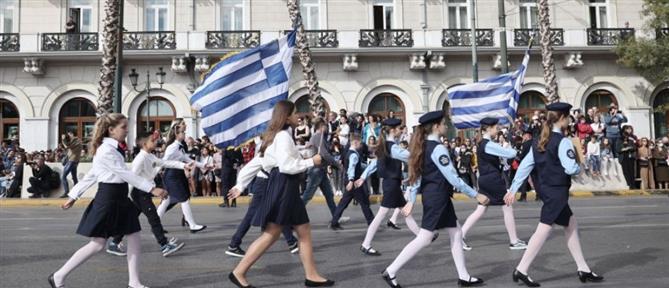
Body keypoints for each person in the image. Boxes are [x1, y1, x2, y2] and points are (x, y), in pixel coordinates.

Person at [52, 113, 168, 288]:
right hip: (108, 198)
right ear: (111, 130)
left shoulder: (113, 148)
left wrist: (74, 195)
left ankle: (134, 282)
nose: (127, 130)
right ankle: (58, 276)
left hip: (119, 197)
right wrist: (152, 188)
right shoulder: (106, 150)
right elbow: (124, 173)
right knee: (98, 244)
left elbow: (93, 173)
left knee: (134, 235)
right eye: (123, 127)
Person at [228, 100, 333, 288]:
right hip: (284, 186)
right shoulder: (283, 136)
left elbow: (262, 162)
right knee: (272, 233)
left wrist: (240, 184)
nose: (298, 116)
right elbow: (286, 166)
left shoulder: (276, 136)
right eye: (294, 113)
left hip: (285, 186)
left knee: (303, 230)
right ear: (286, 116)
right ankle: (239, 272)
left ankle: (312, 275)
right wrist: (312, 162)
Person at [382, 111, 489, 288]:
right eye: (444, 123)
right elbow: (453, 178)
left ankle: (464, 276)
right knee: (425, 237)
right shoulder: (438, 148)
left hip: (437, 197)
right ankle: (391, 271)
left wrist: (412, 198)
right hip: (437, 197)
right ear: (435, 126)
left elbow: (418, 175)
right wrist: (476, 195)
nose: (446, 126)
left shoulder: (423, 146)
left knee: (456, 232)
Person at [504, 102, 603, 287]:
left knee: (571, 223)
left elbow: (525, 167)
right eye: (569, 118)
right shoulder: (563, 141)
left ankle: (583, 268)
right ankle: (521, 269)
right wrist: (580, 165)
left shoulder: (538, 141)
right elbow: (570, 168)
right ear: (563, 118)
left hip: (547, 190)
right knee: (543, 229)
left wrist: (513, 189)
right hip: (557, 192)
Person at [107, 132, 187, 257]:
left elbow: (165, 163)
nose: (156, 143)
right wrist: (126, 196)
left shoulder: (149, 156)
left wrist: (184, 165)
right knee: (154, 218)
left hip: (145, 191)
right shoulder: (140, 158)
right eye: (153, 141)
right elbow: (131, 177)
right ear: (144, 144)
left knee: (130, 218)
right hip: (140, 192)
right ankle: (164, 244)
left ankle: (114, 242)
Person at [355, 118, 423, 256]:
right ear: (393, 130)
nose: (400, 130)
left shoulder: (383, 145)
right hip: (391, 184)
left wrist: (363, 177)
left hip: (392, 184)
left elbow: (374, 165)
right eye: (399, 128)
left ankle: (423, 237)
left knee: (406, 212)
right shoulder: (393, 147)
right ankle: (366, 244)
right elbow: (410, 157)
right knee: (381, 215)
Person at [460, 117, 527, 252]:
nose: (498, 130)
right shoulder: (488, 144)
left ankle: (460, 235)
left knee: (481, 209)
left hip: (485, 179)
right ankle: (514, 241)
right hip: (493, 179)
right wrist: (516, 146)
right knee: (507, 205)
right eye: (496, 127)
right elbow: (510, 153)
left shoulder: (483, 143)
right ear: (488, 128)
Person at [225, 140, 299, 258]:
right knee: (253, 214)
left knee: (278, 211)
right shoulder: (268, 146)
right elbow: (251, 166)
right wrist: (240, 185)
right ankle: (234, 244)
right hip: (264, 183)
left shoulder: (277, 143)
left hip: (270, 182)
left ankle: (292, 242)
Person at [156, 120, 208, 233]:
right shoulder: (172, 147)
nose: (185, 134)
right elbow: (163, 162)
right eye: (183, 133)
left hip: (177, 175)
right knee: (184, 199)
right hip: (172, 176)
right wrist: (154, 173)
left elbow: (188, 160)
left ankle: (155, 225)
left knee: (167, 200)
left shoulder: (179, 146)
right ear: (177, 134)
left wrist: (205, 165)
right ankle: (192, 225)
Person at [329, 133, 375, 230]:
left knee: (344, 203)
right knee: (364, 202)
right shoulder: (353, 155)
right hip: (354, 182)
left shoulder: (349, 152)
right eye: (360, 143)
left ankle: (334, 222)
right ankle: (372, 222)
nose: (361, 145)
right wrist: (351, 180)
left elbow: (358, 166)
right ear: (355, 142)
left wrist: (369, 167)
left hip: (351, 181)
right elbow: (351, 168)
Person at [301, 118, 341, 216]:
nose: (327, 128)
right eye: (326, 126)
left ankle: (336, 216)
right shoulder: (318, 136)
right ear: (321, 127)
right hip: (316, 170)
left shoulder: (319, 137)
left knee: (329, 195)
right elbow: (324, 154)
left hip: (321, 170)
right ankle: (293, 217)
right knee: (307, 195)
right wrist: (337, 164)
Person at [60, 131, 82, 198]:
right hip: (73, 161)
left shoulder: (77, 141)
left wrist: (63, 139)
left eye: (69, 135)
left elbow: (67, 146)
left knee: (63, 176)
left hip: (72, 161)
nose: (68, 136)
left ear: (72, 134)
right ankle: (77, 192)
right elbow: (68, 147)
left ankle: (67, 192)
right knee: (74, 177)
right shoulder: (74, 141)